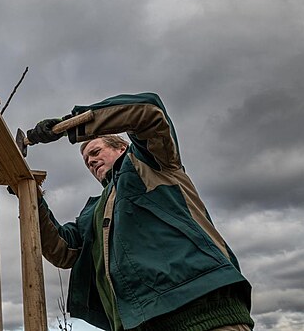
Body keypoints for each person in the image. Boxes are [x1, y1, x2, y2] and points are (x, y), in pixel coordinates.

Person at [26, 92, 254, 330]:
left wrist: (68, 127)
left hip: (201, 310)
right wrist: (32, 196)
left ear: (122, 147)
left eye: (95, 152)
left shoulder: (151, 163)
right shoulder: (94, 211)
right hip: (137, 322)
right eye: (86, 161)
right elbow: (63, 250)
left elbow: (149, 111)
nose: (91, 161)